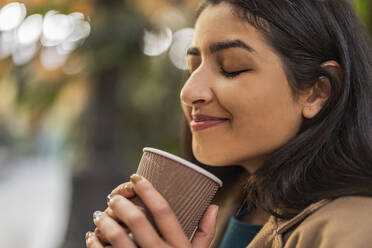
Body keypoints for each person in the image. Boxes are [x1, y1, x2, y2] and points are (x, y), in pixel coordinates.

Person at [85, 0, 372, 247]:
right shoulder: (227, 207)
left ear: (317, 92)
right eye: (193, 67)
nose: (189, 92)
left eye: (232, 68)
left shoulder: (355, 228)